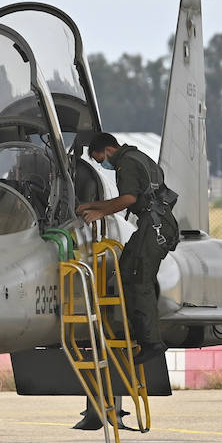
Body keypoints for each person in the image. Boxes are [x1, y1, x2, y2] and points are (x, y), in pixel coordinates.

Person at [75, 132, 178, 366]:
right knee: (131, 272)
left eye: (100, 159)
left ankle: (151, 342)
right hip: (158, 223)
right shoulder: (140, 157)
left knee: (136, 278)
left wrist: (99, 212)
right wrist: (89, 205)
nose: (103, 164)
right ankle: (145, 335)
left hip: (154, 226)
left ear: (108, 150)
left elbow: (128, 199)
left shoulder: (125, 164)